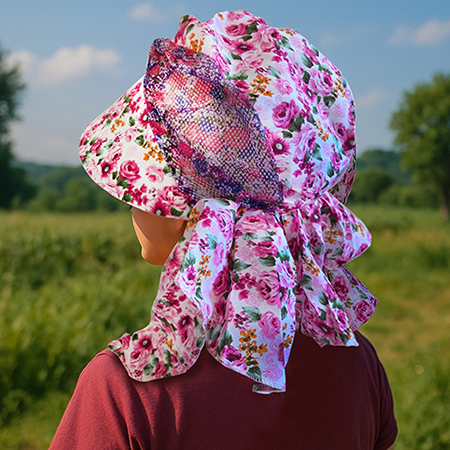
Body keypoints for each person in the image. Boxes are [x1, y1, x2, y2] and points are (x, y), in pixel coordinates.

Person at [50, 10, 397, 450]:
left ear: (182, 209)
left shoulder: (124, 392)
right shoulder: (358, 364)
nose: (131, 204)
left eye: (143, 188)